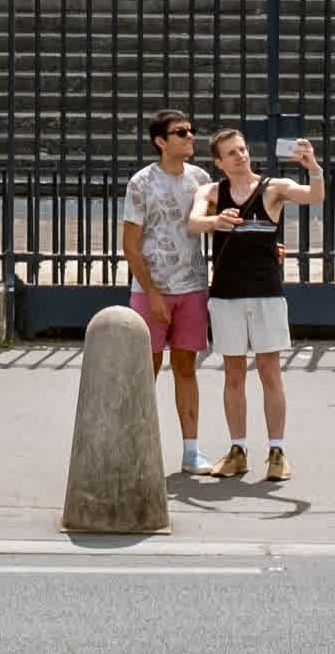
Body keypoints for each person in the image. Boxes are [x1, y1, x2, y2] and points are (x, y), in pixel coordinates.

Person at [186, 125, 326, 481]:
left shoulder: (272, 188)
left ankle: (277, 451)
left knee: (269, 373)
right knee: (233, 375)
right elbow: (192, 222)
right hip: (227, 294)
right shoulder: (212, 191)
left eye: (243, 149)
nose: (241, 156)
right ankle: (238, 449)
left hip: (265, 293)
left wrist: (313, 168)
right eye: (232, 152)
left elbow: (313, 196)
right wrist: (216, 221)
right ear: (219, 161)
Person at [119, 107, 217, 475]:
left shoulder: (201, 178)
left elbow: (215, 223)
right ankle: (132, 444)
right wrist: (152, 292)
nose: (190, 136)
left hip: (191, 285)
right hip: (152, 289)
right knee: (147, 368)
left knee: (186, 367)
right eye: (181, 132)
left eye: (191, 130)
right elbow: (131, 244)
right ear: (161, 141)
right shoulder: (141, 183)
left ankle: (191, 450)